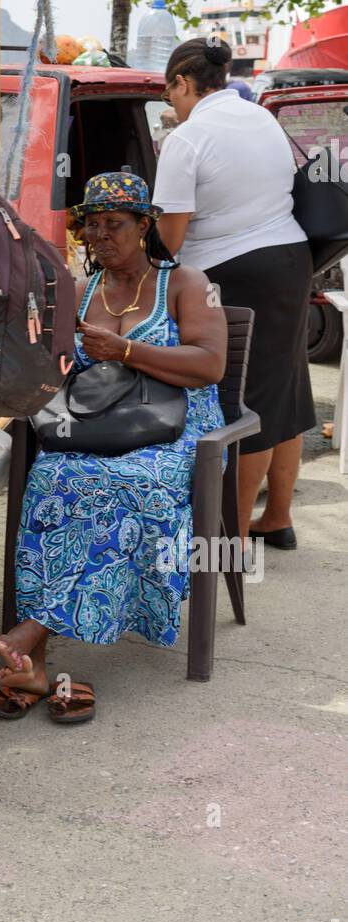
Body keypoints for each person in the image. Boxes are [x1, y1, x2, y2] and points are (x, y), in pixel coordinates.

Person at [0, 172, 227, 722]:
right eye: (90, 227)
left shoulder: (188, 282)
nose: (99, 236)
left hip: (178, 431)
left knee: (129, 484)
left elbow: (211, 364)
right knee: (52, 478)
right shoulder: (79, 288)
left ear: (145, 225)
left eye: (113, 224)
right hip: (98, 426)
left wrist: (124, 351)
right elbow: (59, 372)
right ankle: (40, 666)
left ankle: (35, 631)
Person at [154, 37, 315, 549]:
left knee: (244, 404)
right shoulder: (260, 116)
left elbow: (170, 240)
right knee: (282, 388)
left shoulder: (188, 138)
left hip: (237, 272)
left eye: (169, 94)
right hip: (292, 259)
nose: (171, 106)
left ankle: (232, 538)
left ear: (183, 82)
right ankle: (277, 519)